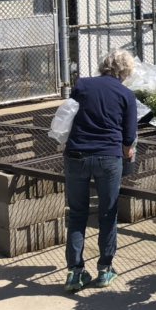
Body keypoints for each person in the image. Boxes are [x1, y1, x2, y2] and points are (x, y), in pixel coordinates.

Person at [63, 48, 137, 292]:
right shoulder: (126, 95)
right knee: (108, 213)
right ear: (125, 72)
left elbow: (69, 115)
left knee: (76, 213)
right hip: (108, 156)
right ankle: (105, 269)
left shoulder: (82, 85)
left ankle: (75, 272)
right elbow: (129, 136)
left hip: (76, 154)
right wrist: (128, 151)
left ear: (104, 65)